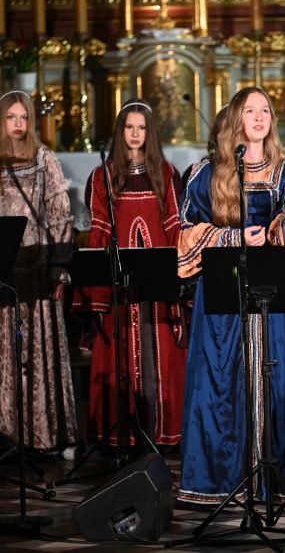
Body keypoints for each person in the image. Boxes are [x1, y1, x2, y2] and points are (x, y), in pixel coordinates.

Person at [177, 86, 285, 505]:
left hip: (270, 297)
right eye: (250, 110)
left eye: (265, 110)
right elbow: (186, 236)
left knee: (272, 377)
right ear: (236, 118)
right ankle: (221, 479)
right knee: (220, 382)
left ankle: (274, 480)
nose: (259, 117)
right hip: (222, 296)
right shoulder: (206, 173)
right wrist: (233, 237)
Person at [73, 98, 186, 447]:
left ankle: (162, 432)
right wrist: (96, 294)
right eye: (129, 127)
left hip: (156, 286)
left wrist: (178, 279)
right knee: (120, 351)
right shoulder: (103, 176)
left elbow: (174, 228)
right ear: (120, 131)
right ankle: (123, 436)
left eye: (141, 127)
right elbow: (99, 232)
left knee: (159, 352)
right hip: (120, 286)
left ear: (150, 133)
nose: (135, 133)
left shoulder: (165, 173)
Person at [0, 90, 78, 454]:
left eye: (24, 117)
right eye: (11, 117)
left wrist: (59, 266)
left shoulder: (44, 158)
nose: (18, 124)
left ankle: (41, 435)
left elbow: (60, 213)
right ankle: (6, 436)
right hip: (3, 270)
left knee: (38, 351)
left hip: (37, 269)